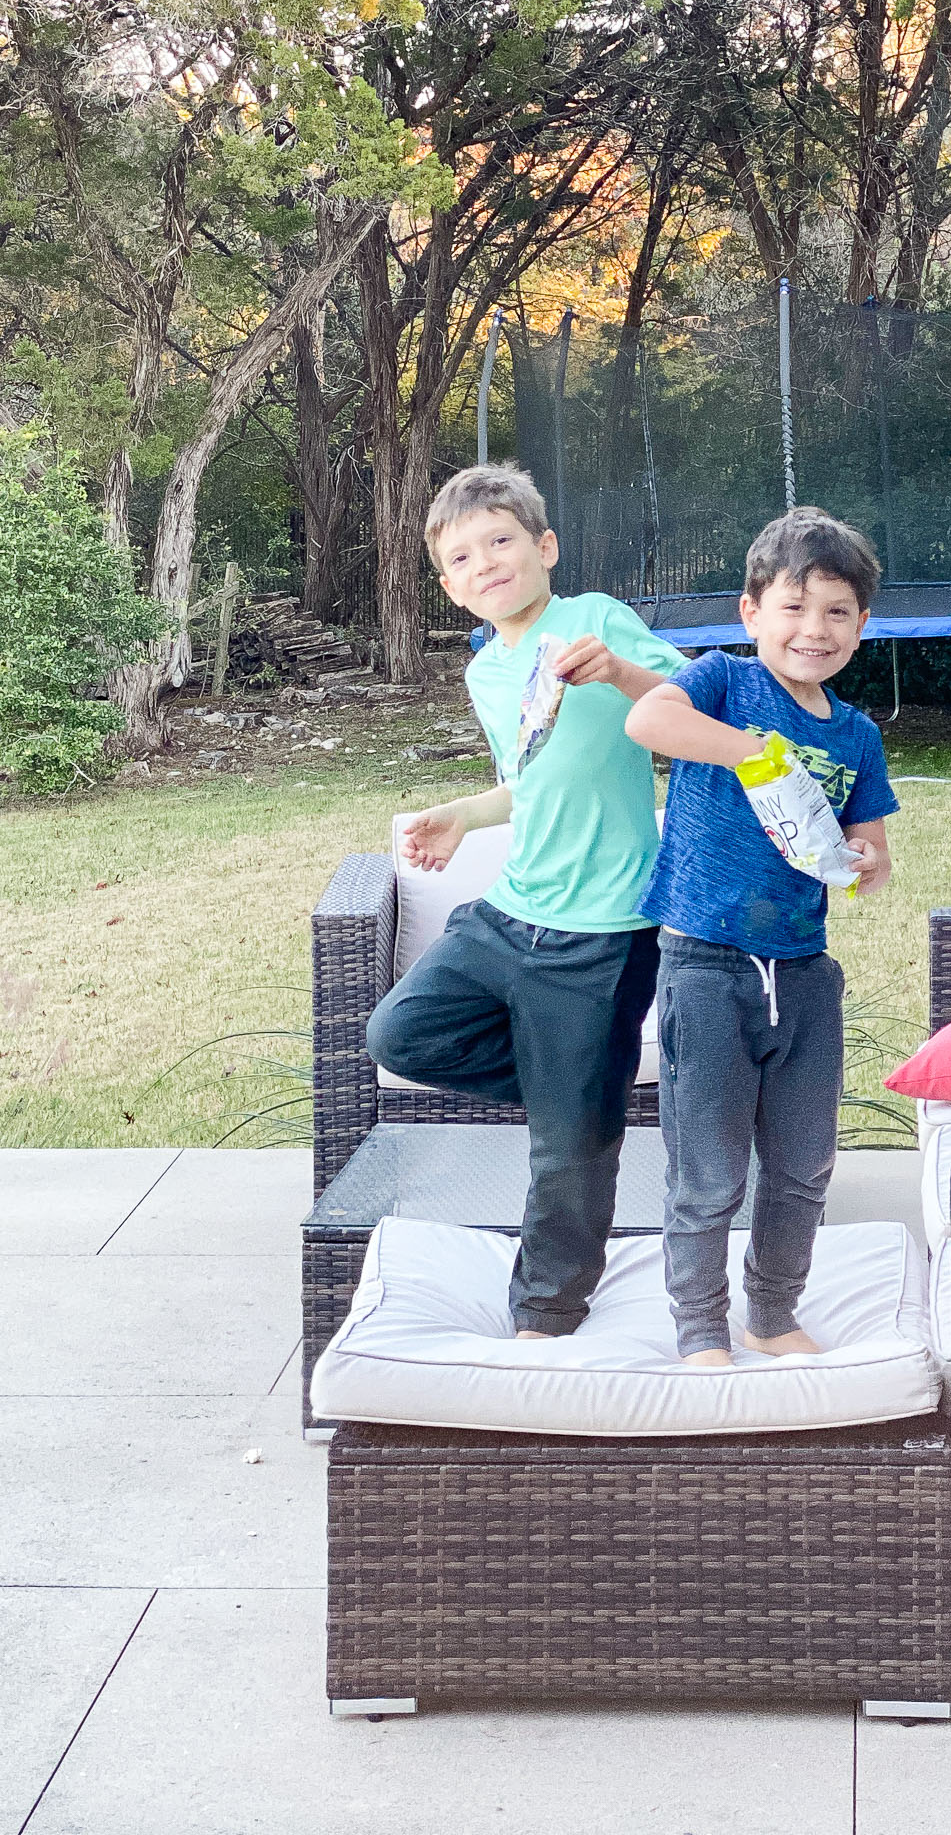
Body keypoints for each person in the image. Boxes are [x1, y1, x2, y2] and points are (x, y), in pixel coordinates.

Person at [365, 464, 687, 1338]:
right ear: (449, 588)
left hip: (603, 931)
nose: (486, 563)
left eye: (501, 541)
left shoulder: (595, 620)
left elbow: (695, 705)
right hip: (509, 915)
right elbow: (529, 780)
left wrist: (617, 671)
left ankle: (545, 1312)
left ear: (545, 547)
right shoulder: (486, 673)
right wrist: (463, 815)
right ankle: (579, 1094)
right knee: (400, 1035)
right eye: (462, 557)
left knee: (565, 1157)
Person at [625, 507, 898, 1367]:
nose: (815, 629)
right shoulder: (723, 683)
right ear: (751, 613)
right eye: (794, 607)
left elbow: (872, 849)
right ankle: (700, 1325)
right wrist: (753, 752)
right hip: (704, 963)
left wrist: (864, 860)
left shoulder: (856, 735)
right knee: (707, 1170)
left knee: (804, 1165)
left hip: (805, 971)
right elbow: (648, 723)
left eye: (837, 612)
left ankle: (772, 1315)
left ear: (862, 624)